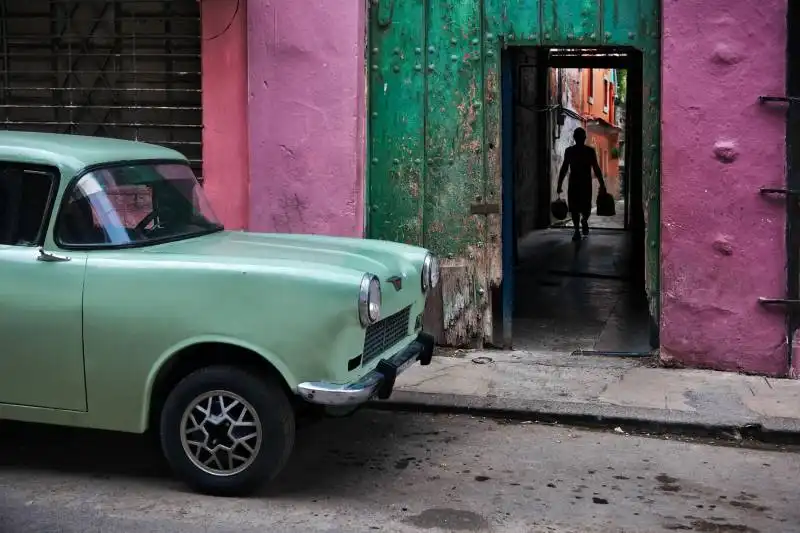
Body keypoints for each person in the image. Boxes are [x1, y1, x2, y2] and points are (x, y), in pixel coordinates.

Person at [556, 127, 606, 241]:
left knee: (580, 208)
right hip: (582, 183)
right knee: (580, 208)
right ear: (584, 138)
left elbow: (564, 169)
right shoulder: (586, 151)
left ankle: (582, 223)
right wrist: (602, 184)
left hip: (577, 183)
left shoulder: (573, 151)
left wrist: (559, 184)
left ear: (575, 138)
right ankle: (577, 229)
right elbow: (596, 169)